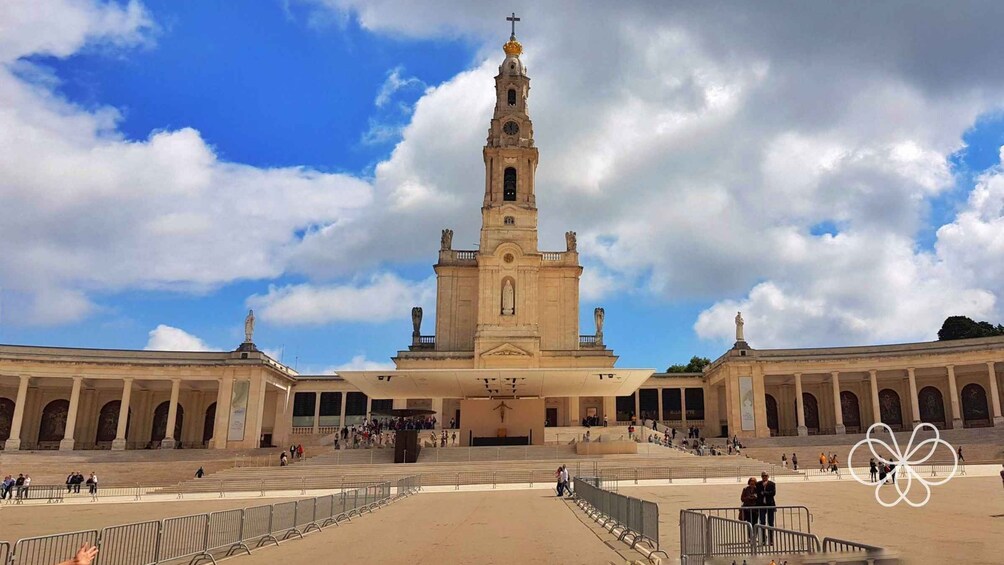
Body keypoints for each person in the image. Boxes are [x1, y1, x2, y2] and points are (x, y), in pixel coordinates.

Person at [757, 472, 777, 545]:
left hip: (770, 505)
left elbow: (773, 493)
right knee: (762, 522)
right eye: (763, 476)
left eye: (765, 476)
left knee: (771, 523)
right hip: (761, 505)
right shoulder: (758, 484)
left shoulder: (772, 484)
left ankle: (771, 540)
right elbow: (758, 493)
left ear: (768, 476)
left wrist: (764, 493)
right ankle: (763, 539)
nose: (764, 477)